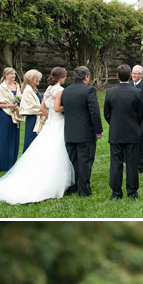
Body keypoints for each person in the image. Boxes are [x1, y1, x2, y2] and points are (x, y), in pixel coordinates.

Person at [0, 68, 74, 206]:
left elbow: (43, 107)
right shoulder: (60, 90)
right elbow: (56, 108)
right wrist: (68, 107)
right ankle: (56, 183)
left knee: (45, 150)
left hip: (50, 123)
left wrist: (49, 117)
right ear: (62, 77)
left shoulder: (49, 89)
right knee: (58, 151)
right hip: (58, 122)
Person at [55, 66, 103, 200]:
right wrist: (98, 130)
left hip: (69, 131)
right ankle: (84, 189)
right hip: (85, 132)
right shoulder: (89, 90)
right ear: (86, 77)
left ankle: (73, 186)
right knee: (85, 161)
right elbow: (94, 112)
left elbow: (65, 109)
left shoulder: (66, 90)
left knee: (73, 161)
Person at [104, 65, 143, 200]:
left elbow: (107, 114)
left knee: (116, 163)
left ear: (117, 76)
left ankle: (116, 193)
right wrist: (133, 124)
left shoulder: (110, 92)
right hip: (131, 132)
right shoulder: (136, 92)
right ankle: (132, 192)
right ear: (129, 76)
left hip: (117, 132)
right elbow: (140, 114)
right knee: (132, 163)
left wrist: (115, 124)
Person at [0, 65, 21, 175]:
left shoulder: (17, 86)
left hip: (16, 116)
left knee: (14, 139)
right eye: (11, 74)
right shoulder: (2, 88)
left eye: (14, 74)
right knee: (4, 140)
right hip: (5, 116)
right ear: (6, 75)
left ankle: (12, 163)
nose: (13, 76)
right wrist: (9, 106)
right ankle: (3, 164)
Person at [18, 67, 43, 151]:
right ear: (32, 79)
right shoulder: (27, 90)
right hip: (33, 120)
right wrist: (44, 110)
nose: (39, 79)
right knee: (31, 141)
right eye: (37, 78)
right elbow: (29, 107)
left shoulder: (34, 89)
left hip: (38, 118)